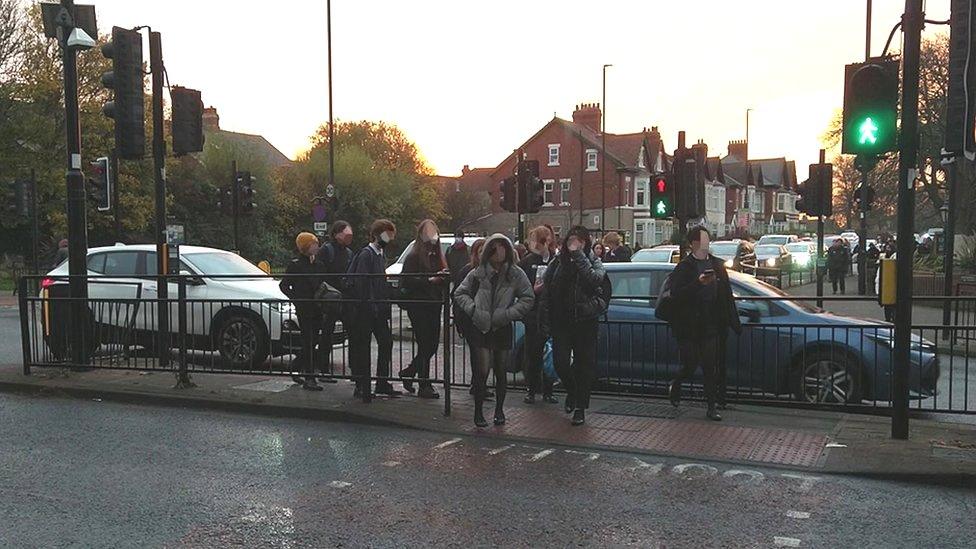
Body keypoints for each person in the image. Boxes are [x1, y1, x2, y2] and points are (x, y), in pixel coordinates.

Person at [454, 234, 534, 427]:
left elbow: (528, 297)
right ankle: (479, 412)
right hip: (480, 327)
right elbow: (459, 293)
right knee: (481, 371)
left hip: (501, 326)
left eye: (502, 247)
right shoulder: (478, 272)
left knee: (500, 370)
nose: (499, 251)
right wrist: (473, 310)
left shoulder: (516, 274)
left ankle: (499, 410)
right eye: (495, 247)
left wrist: (508, 314)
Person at [665, 226, 741, 421]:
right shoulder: (684, 267)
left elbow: (726, 296)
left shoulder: (717, 266)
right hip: (688, 325)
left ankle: (711, 407)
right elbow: (676, 294)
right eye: (700, 241)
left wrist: (733, 321)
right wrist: (698, 283)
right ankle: (678, 383)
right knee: (690, 364)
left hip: (710, 323)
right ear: (692, 244)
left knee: (710, 366)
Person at [540, 226, 609, 426]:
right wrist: (544, 319)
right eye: (571, 240)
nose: (574, 244)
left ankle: (580, 407)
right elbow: (547, 291)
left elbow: (595, 279)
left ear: (585, 242)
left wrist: (579, 256)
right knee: (561, 362)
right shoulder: (558, 264)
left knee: (584, 365)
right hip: (562, 321)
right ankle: (571, 390)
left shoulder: (593, 262)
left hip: (585, 321)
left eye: (578, 240)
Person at [347, 219, 402, 402]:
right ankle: (363, 384)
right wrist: (371, 303)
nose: (390, 238)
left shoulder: (379, 254)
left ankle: (381, 382)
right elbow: (362, 282)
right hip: (367, 309)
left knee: (385, 343)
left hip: (377, 308)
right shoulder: (367, 254)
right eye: (387, 234)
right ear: (377, 234)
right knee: (365, 347)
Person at [400, 219, 449, 399]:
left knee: (432, 344)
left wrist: (443, 278)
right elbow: (407, 280)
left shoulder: (437, 256)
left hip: (433, 304)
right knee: (425, 343)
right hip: (419, 305)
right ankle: (424, 383)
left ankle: (409, 372)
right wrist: (429, 280)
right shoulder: (413, 257)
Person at [279, 232, 326, 391]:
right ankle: (309, 378)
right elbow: (284, 285)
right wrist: (297, 300)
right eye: (313, 243)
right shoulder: (296, 265)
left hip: (317, 307)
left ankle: (297, 365)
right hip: (304, 308)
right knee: (308, 339)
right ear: (306, 246)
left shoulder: (319, 264)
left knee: (314, 341)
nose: (317, 246)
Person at [309, 220, 354, 383]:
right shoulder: (327, 250)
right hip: (331, 298)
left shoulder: (348, 252)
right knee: (327, 333)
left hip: (344, 298)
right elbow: (319, 273)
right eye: (344, 232)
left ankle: (354, 368)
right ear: (336, 234)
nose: (348, 235)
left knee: (350, 331)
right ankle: (323, 369)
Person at [518, 226, 558, 405]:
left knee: (549, 352)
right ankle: (531, 389)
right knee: (532, 353)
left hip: (550, 312)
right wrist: (531, 292)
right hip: (533, 314)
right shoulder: (527, 261)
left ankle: (548, 389)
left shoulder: (556, 261)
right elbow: (519, 285)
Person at [452, 239, 495, 401]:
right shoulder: (468, 271)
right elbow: (457, 295)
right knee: (478, 354)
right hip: (472, 320)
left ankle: (479, 384)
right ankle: (478, 386)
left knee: (487, 353)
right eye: (480, 251)